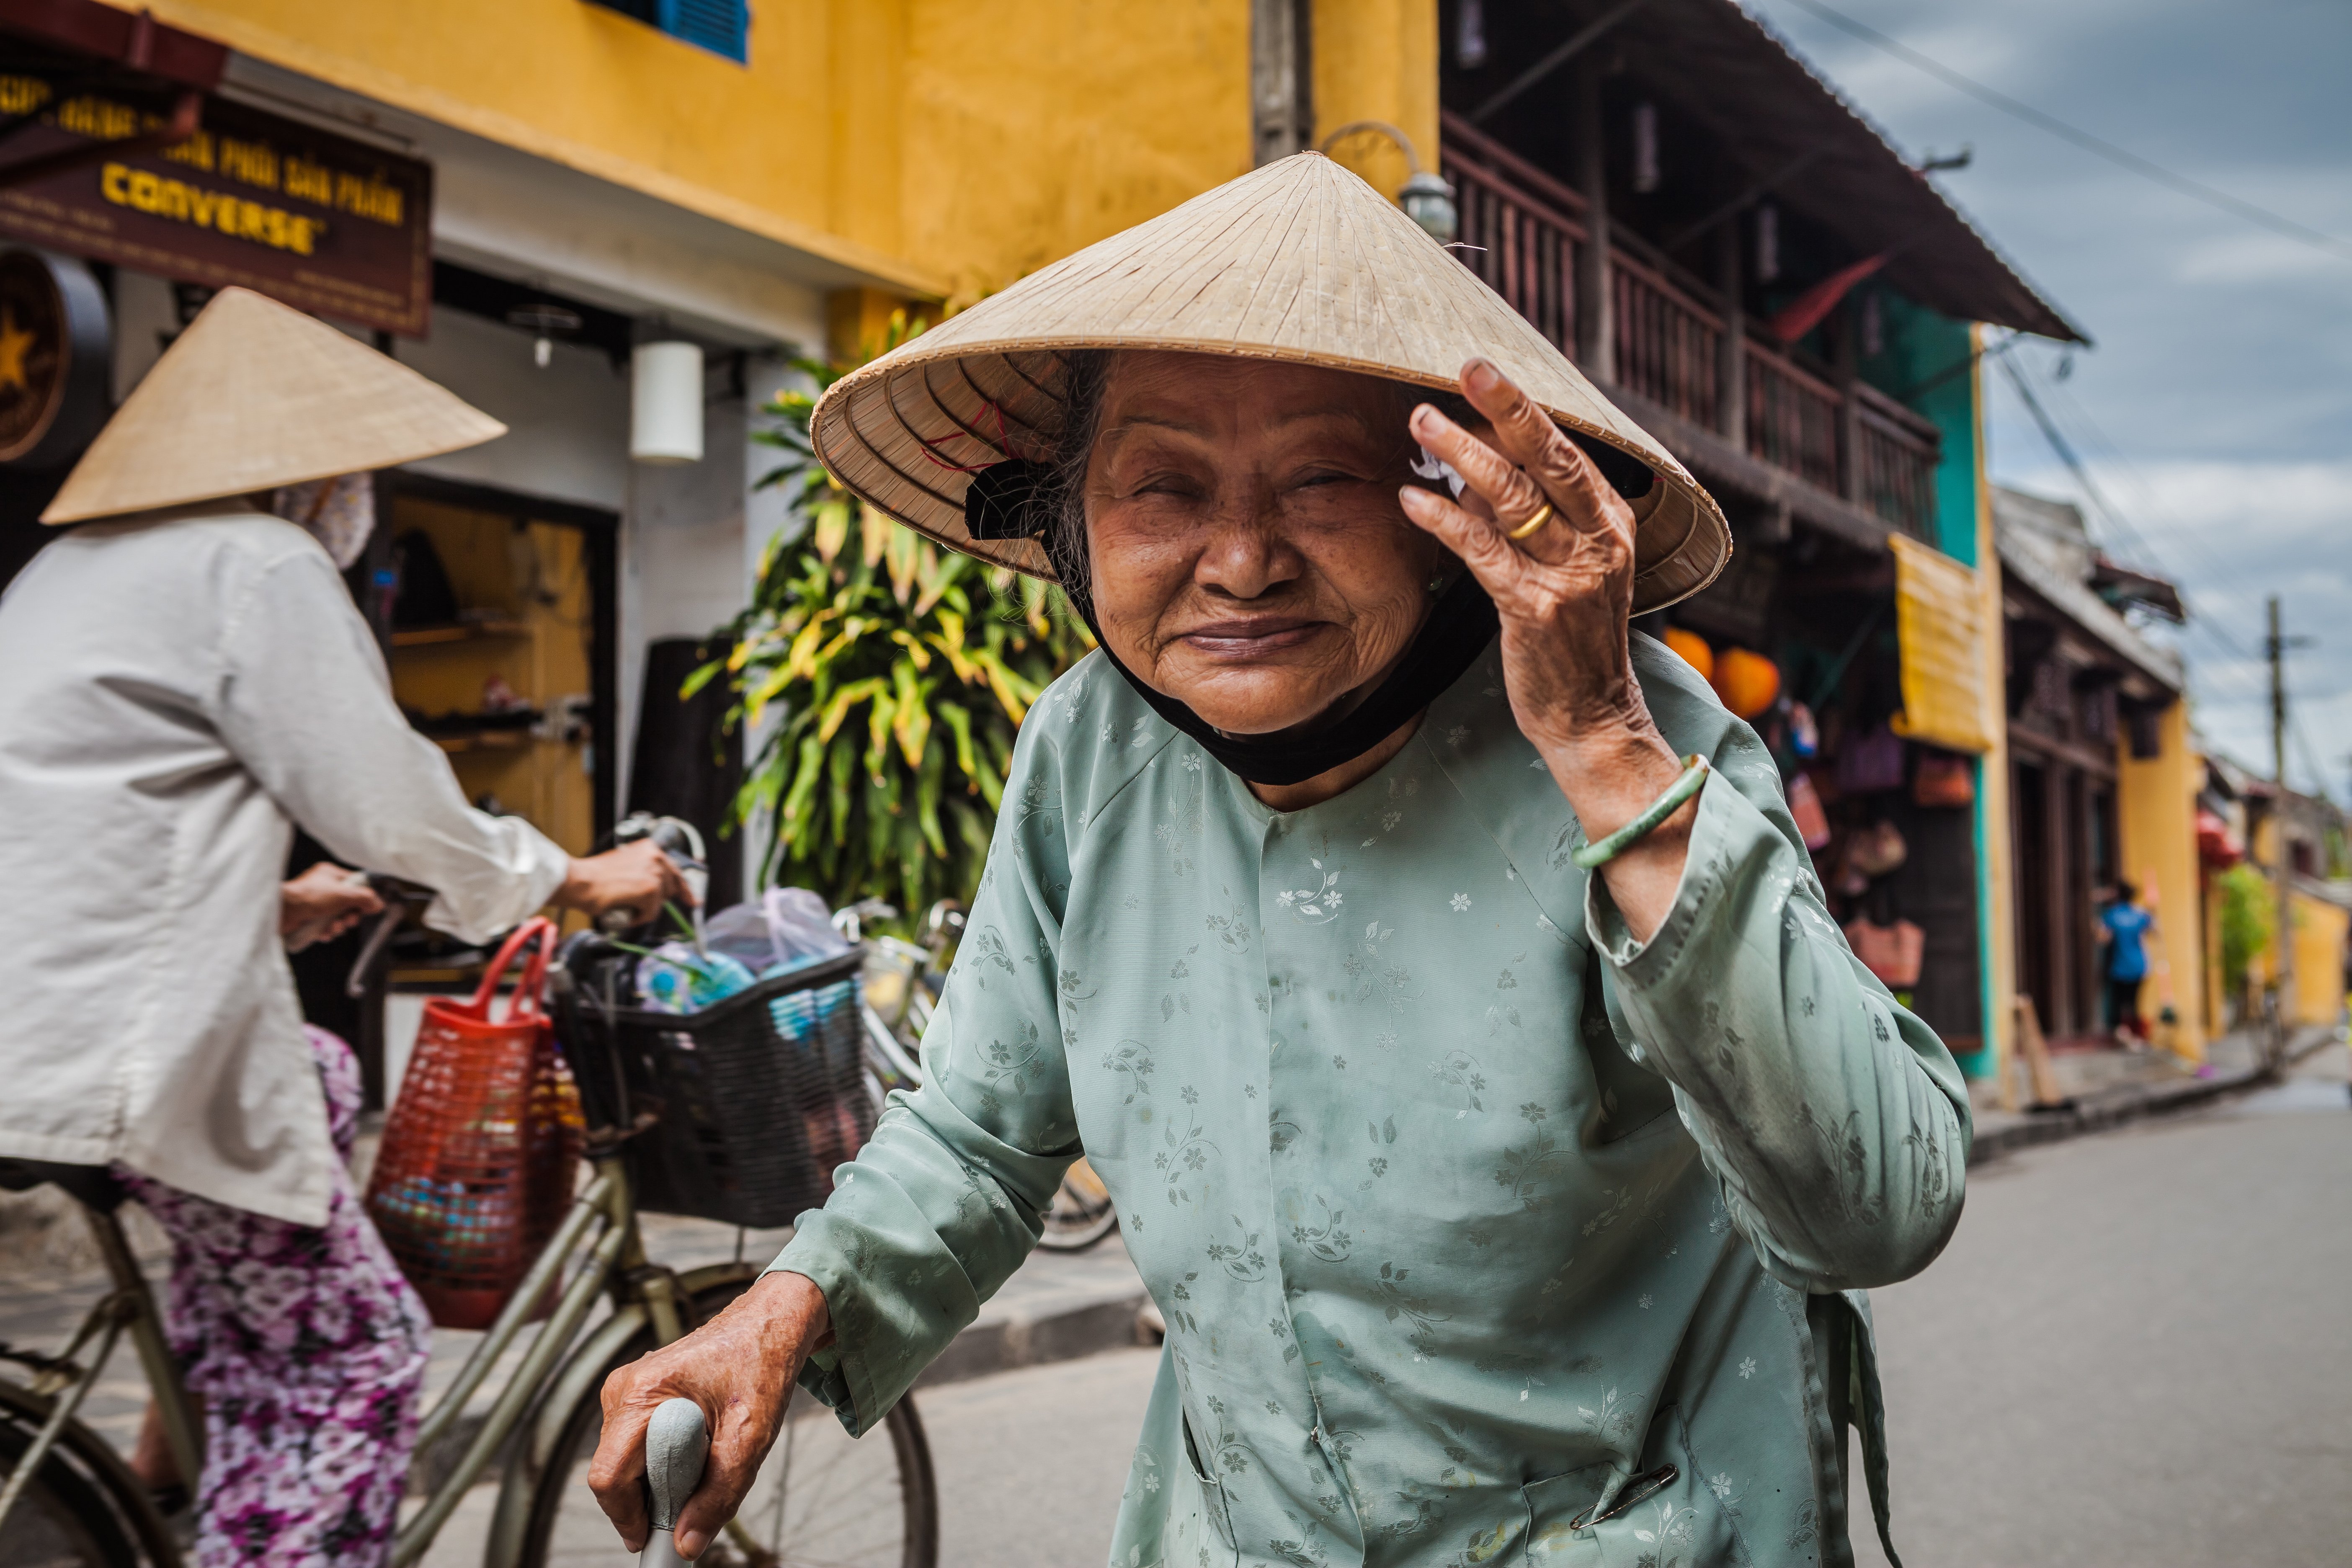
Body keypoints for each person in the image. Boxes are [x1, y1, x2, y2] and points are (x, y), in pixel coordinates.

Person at [591, 155, 1969, 1567]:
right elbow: (981, 1133)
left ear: (1448, 510)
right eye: (1161, 490)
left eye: (1322, 480)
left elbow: (1877, 1203)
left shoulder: (1623, 722)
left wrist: (1602, 738)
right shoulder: (1088, 752)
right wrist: (787, 1303)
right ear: (1067, 527)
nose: (1239, 561)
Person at [0, 287, 688, 1567]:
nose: (357, 500)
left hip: (42, 1023)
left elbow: (64, 836)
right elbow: (393, 807)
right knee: (361, 1354)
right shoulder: (253, 563)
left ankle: (188, 1411)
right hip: (111, 1052)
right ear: (304, 474)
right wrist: (574, 877)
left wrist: (271, 901)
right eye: (353, 475)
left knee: (314, 1078)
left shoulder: (69, 573)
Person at [2097, 881, 2157, 1047]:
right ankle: (2135, 1037)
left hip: (2120, 966)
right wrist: (2153, 914)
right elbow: (2155, 932)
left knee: (2119, 1002)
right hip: (2139, 965)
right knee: (2134, 1002)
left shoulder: (2112, 915)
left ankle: (2123, 1035)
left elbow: (2103, 939)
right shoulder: (2141, 915)